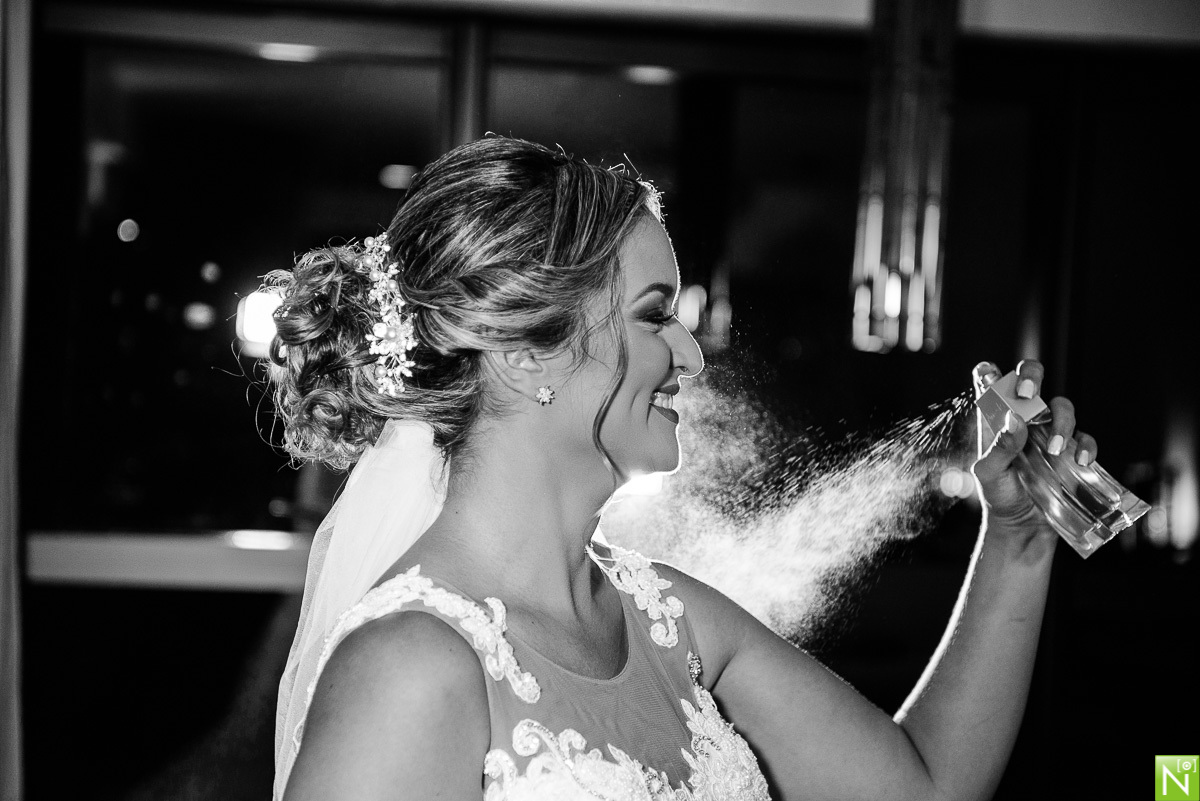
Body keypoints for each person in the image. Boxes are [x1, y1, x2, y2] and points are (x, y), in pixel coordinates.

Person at [267, 136, 1090, 801]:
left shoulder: (671, 617)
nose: (692, 355)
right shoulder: (409, 666)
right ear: (524, 351)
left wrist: (1018, 539)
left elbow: (925, 785)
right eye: (655, 314)